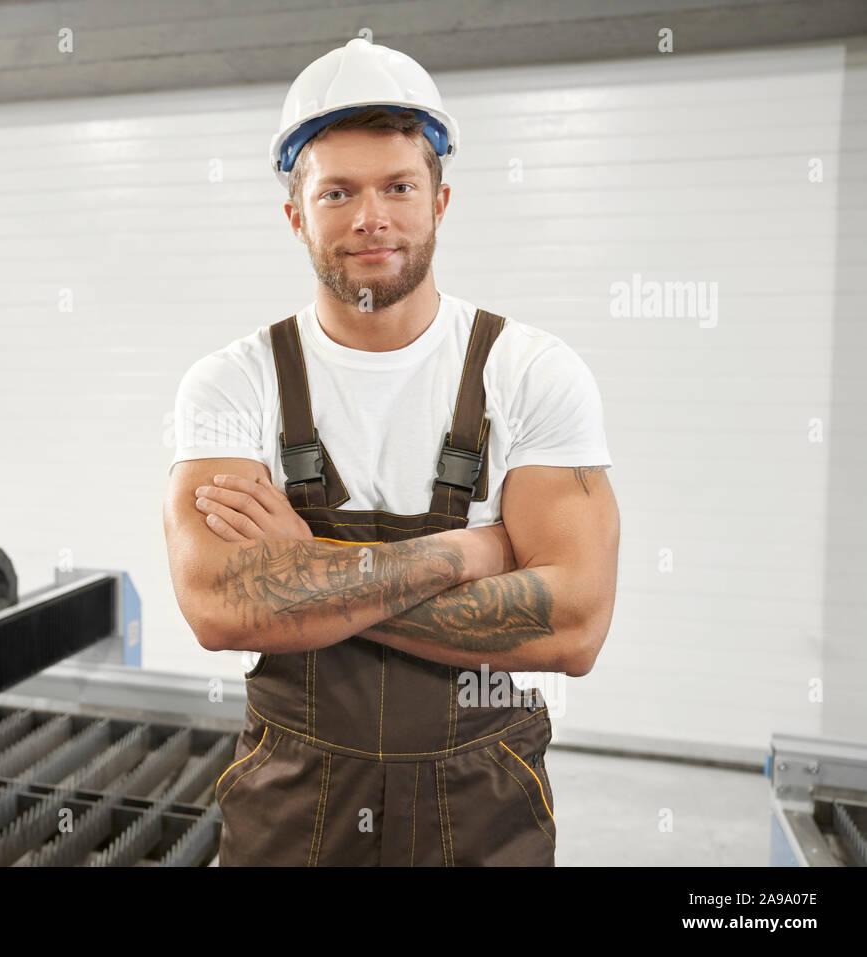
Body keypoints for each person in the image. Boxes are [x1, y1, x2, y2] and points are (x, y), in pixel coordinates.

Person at [162, 37, 620, 866]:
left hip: (487, 796)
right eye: (337, 190)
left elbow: (576, 624)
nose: (371, 215)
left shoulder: (531, 372)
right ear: (296, 212)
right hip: (291, 794)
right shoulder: (233, 384)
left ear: (440, 201)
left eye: (398, 186)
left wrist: (312, 571)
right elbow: (220, 608)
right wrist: (465, 550)